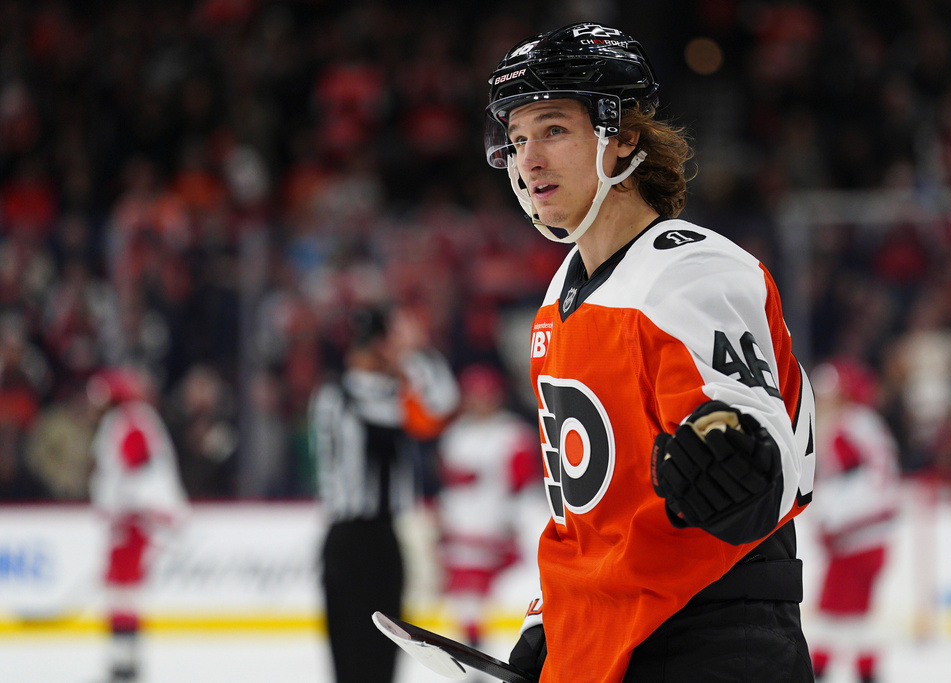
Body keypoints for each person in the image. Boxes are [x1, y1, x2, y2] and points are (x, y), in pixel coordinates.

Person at [483, 23, 817, 683]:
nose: (529, 160)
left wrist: (733, 460)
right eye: (518, 140)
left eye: (553, 130)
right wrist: (547, 623)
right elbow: (593, 512)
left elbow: (757, 467)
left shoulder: (692, 270)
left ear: (625, 135)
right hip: (607, 642)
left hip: (709, 637)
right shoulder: (561, 294)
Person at [308, 305, 459, 683]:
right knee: (353, 653)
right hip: (352, 537)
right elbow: (433, 405)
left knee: (380, 653)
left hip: (379, 536)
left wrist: (410, 355)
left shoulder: (368, 392)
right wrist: (407, 358)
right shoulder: (340, 394)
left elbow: (444, 404)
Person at [87, 365, 190, 683]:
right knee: (123, 592)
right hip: (135, 519)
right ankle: (125, 663)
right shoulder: (133, 418)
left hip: (136, 521)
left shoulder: (126, 420)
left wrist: (125, 508)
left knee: (122, 592)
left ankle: (124, 666)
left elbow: (137, 467)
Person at [435, 363, 541, 651]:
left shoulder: (514, 435)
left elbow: (523, 488)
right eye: (475, 394)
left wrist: (512, 523)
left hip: (500, 534)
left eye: (486, 394)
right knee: (465, 604)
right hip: (463, 535)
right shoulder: (454, 436)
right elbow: (448, 488)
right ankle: (473, 660)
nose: (481, 401)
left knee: (510, 599)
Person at [809, 359, 900, 683]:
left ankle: (817, 669)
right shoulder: (868, 422)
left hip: (855, 534)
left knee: (831, 611)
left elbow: (845, 479)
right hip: (876, 534)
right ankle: (866, 669)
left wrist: (827, 519)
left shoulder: (843, 427)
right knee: (859, 612)